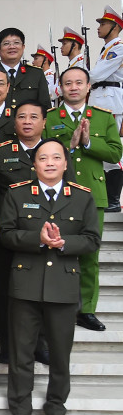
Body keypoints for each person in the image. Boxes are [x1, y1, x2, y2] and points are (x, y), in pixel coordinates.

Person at [0, 138, 100, 415]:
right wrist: (37, 240)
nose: (50, 163)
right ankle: (20, 412)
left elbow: (93, 240)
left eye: (56, 157)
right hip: (25, 285)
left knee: (59, 354)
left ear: (66, 163)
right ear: (35, 164)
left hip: (63, 287)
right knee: (21, 354)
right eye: (43, 158)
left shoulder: (82, 197)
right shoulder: (17, 195)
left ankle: (56, 410)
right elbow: (5, 234)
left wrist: (64, 242)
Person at [45, 67, 122, 332]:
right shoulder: (51, 117)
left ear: (89, 86)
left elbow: (115, 153)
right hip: (58, 193)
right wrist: (69, 144)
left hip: (92, 195)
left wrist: (88, 143)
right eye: (68, 83)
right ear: (61, 88)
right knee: (58, 251)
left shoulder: (103, 117)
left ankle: (86, 310)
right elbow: (42, 151)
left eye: (79, 83)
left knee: (89, 254)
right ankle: (59, 305)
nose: (73, 87)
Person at [0, 100, 62, 364]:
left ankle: (40, 345)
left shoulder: (55, 152)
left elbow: (69, 192)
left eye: (33, 117)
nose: (27, 121)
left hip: (48, 240)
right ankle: (7, 346)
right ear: (14, 122)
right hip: (9, 239)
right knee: (8, 296)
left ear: (44, 121)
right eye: (21, 117)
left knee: (42, 294)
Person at [88, 5, 123, 213]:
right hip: (101, 101)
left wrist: (77, 76)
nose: (99, 27)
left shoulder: (118, 47)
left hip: (111, 103)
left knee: (113, 152)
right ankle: (108, 198)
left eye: (103, 24)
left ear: (115, 27)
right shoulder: (109, 48)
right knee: (101, 150)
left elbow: (97, 75)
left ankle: (113, 200)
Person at [0, 27, 51, 110]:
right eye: (6, 44)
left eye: (16, 43)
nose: (12, 47)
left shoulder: (36, 74)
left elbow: (45, 107)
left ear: (23, 47)